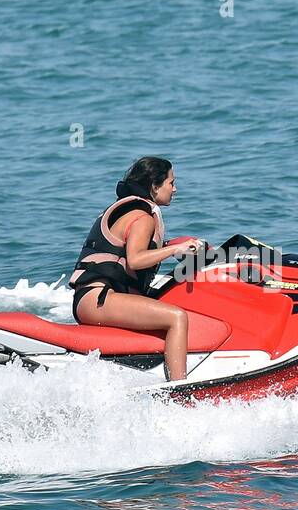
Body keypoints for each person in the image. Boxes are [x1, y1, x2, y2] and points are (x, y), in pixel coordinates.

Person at [69, 158, 200, 380]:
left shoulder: (133, 210)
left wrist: (172, 248)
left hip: (96, 297)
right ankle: (180, 389)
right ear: (155, 186)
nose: (175, 189)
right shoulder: (142, 216)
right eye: (171, 183)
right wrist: (174, 249)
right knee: (176, 317)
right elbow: (136, 260)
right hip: (99, 298)